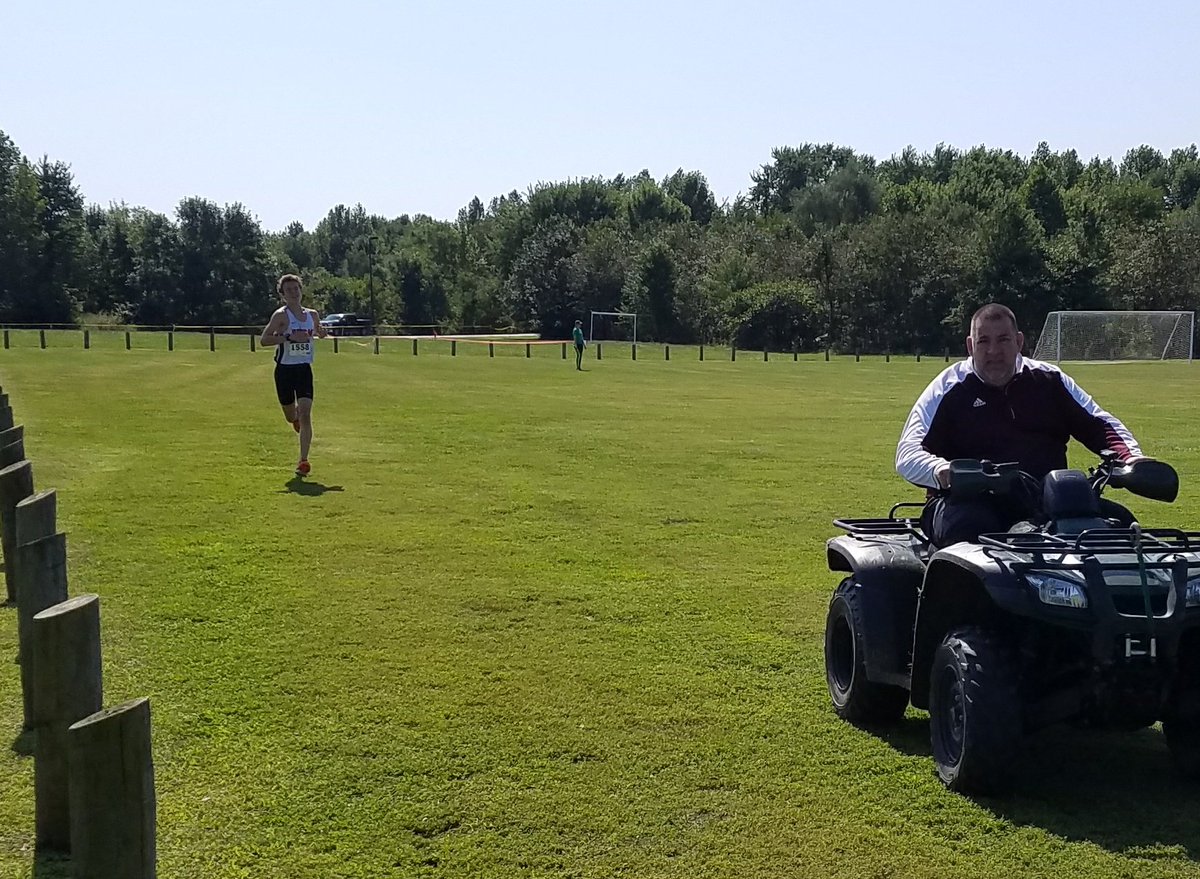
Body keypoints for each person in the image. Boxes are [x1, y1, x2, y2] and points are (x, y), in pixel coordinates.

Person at [896, 302, 1146, 546]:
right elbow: (907, 454)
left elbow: (1098, 423)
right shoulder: (949, 388)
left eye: (1003, 339)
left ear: (1019, 341)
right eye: (984, 341)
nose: (994, 351)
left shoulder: (1048, 381)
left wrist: (1132, 459)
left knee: (1120, 527)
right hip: (965, 502)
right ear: (970, 346)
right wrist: (943, 471)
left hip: (1045, 500)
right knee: (972, 530)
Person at [260, 274, 328, 476]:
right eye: (288, 290)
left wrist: (321, 333)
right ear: (283, 295)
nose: (293, 292)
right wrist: (289, 337)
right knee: (291, 415)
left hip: (304, 369)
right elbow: (264, 340)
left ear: (301, 290)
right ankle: (294, 417)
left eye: (296, 288)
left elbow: (318, 331)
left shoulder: (312, 315)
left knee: (306, 413)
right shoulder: (281, 316)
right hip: (284, 371)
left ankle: (303, 461)